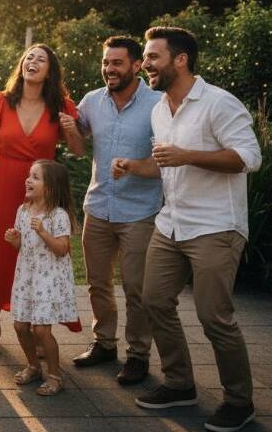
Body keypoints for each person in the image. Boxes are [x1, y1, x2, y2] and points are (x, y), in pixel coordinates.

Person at [113, 26, 261, 432]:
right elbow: (165, 164)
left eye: (152, 57)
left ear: (180, 59)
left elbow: (249, 158)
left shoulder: (218, 103)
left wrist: (188, 156)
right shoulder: (160, 109)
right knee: (153, 300)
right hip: (171, 223)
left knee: (215, 317)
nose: (145, 65)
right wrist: (133, 165)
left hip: (215, 226)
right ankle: (179, 384)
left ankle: (239, 400)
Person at [0, 43, 84, 354]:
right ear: (21, 65)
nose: (33, 61)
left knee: (38, 253)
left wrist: (71, 129)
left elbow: (79, 149)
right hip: (3, 183)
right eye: (29, 57)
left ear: (50, 71)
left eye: (41, 59)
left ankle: (35, 328)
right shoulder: (1, 102)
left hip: (43, 187)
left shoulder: (62, 106)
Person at [67, 36, 162, 385]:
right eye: (107, 62)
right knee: (98, 284)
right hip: (98, 207)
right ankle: (104, 343)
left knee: (137, 288)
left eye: (117, 63)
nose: (110, 69)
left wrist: (134, 166)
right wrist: (68, 129)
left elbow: (165, 161)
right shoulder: (92, 101)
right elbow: (77, 148)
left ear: (136, 65)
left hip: (139, 212)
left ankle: (138, 355)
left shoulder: (157, 103)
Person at [6, 160, 81, 397]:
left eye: (35, 177)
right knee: (19, 325)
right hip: (27, 275)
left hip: (48, 279)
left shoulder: (58, 215)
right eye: (30, 175)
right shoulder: (23, 210)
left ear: (50, 187)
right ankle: (33, 366)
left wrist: (42, 231)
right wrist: (14, 239)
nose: (28, 180)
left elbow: (62, 249)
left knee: (41, 331)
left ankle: (55, 375)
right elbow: (23, 246)